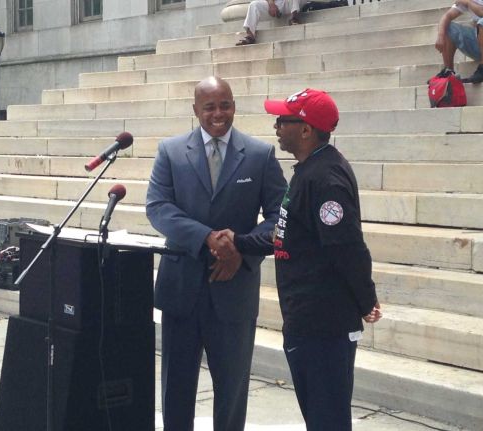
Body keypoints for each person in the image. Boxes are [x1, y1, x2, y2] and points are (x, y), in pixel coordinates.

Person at [213, 88, 382, 430]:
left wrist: (366, 299)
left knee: (327, 418)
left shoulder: (326, 179)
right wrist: (240, 241)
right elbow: (287, 234)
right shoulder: (309, 170)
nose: (276, 125)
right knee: (318, 415)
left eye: (284, 120)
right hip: (306, 319)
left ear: (306, 130)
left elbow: (347, 248)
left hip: (325, 323)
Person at [145, 76, 287, 431]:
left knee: (232, 390)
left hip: (234, 289)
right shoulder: (171, 151)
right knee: (176, 388)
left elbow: (281, 219)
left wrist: (241, 249)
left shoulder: (260, 155)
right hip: (182, 289)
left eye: (225, 105)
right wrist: (207, 238)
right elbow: (158, 208)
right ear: (196, 110)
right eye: (209, 106)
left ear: (234, 106)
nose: (218, 113)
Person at [435, 0, 483, 83]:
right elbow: (447, 16)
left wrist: (467, 2)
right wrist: (440, 36)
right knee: (447, 27)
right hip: (481, 45)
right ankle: (448, 72)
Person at [237, 0, 309, 46]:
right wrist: (271, 4)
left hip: (295, 2)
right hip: (278, 2)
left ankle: (294, 18)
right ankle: (250, 36)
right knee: (254, 4)